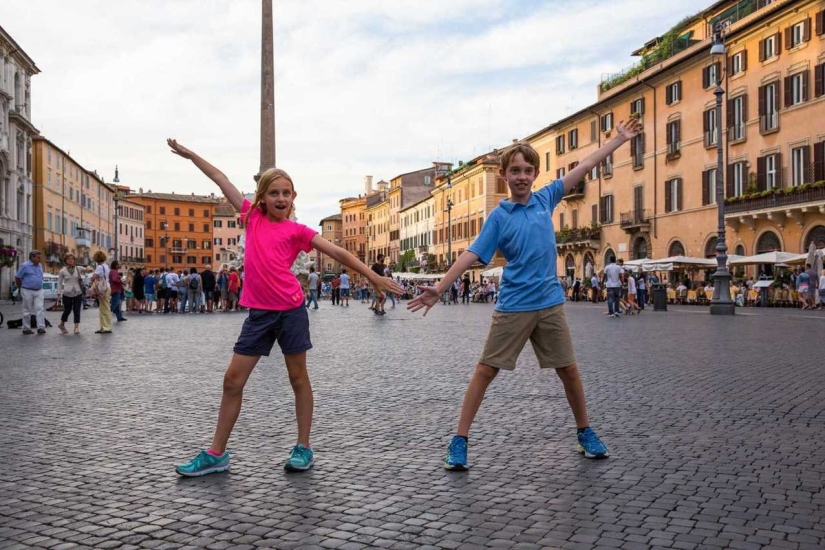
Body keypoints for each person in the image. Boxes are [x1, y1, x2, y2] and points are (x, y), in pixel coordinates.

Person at [408, 122, 641, 469]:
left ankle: (584, 433)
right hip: (514, 305)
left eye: (527, 170)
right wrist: (440, 288)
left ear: (535, 174)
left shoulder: (546, 198)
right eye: (514, 170)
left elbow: (584, 167)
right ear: (503, 175)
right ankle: (459, 441)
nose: (521, 176)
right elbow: (471, 254)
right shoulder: (499, 217)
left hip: (549, 303)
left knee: (570, 371)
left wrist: (619, 141)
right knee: (485, 371)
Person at [167, 138, 403, 476]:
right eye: (274, 192)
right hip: (259, 313)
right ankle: (217, 453)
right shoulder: (251, 218)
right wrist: (191, 156)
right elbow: (221, 179)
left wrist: (372, 277)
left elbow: (338, 253)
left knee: (298, 378)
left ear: (293, 198)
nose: (281, 198)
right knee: (232, 380)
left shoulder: (298, 231)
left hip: (291, 310)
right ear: (261, 197)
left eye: (287, 193)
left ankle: (303, 447)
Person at [15, 249, 46, 335]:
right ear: (32, 257)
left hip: (39, 290)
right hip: (27, 290)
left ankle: (41, 327)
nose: (40, 259)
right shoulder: (24, 266)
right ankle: (26, 328)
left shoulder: (40, 265)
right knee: (27, 310)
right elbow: (18, 277)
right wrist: (20, 287)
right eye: (38, 257)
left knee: (40, 309)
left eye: (40, 257)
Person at [57, 253, 84, 334]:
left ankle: (76, 327)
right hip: (67, 293)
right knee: (67, 310)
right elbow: (59, 283)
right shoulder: (62, 271)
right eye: (68, 259)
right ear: (65, 261)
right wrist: (58, 293)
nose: (70, 260)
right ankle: (62, 324)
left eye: (72, 259)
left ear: (74, 260)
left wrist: (89, 268)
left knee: (77, 310)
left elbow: (88, 269)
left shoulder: (78, 268)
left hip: (78, 292)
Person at [91, 251, 113, 334]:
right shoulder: (106, 266)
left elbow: (93, 277)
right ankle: (103, 326)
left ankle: (106, 327)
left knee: (104, 308)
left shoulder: (99, 267)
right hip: (107, 286)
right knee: (104, 307)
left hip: (103, 288)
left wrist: (92, 278)